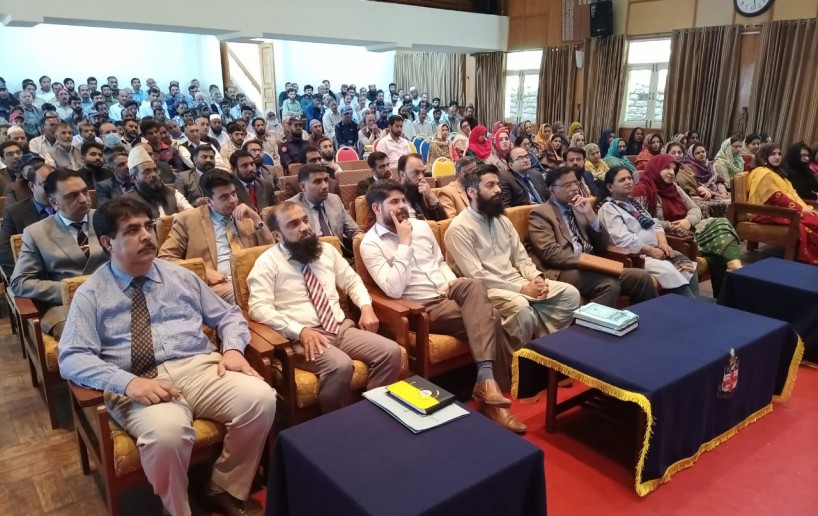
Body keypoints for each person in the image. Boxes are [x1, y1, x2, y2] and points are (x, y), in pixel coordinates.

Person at [58, 197, 276, 516]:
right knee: (167, 435)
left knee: (261, 398)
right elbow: (72, 357)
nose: (147, 235)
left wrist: (231, 348)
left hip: (199, 368)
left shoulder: (180, 276)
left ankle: (226, 486)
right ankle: (177, 509)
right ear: (107, 242)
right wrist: (127, 383)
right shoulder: (91, 294)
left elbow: (228, 315)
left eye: (148, 226)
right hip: (138, 381)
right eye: (132, 230)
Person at [360, 180, 527, 433]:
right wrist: (404, 244)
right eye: (393, 202)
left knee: (473, 285)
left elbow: (439, 262)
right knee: (491, 316)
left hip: (447, 292)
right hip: (421, 306)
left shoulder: (421, 226)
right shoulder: (370, 244)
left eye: (403, 200)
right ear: (376, 208)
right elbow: (393, 290)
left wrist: (450, 282)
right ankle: (494, 397)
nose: (402, 206)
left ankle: (486, 384)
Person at [247, 202, 401, 413]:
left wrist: (366, 307)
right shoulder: (267, 263)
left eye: (305, 220)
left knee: (391, 352)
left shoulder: (326, 250)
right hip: (304, 337)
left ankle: (372, 413)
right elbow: (258, 308)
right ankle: (335, 422)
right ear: (277, 235)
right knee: (340, 365)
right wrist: (299, 331)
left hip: (340, 328)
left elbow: (352, 281)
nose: (304, 227)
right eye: (293, 224)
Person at [445, 165, 580, 352]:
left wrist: (536, 278)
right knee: (521, 308)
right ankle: (516, 363)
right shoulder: (459, 229)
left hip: (518, 281)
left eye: (498, 184)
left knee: (570, 295)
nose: (498, 190)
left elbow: (521, 259)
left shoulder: (502, 220)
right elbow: (477, 276)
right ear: (472, 192)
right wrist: (523, 289)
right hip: (487, 290)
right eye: (490, 185)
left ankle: (542, 349)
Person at [527, 166, 657, 307]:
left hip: (591, 263)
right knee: (609, 284)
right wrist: (586, 261)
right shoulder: (540, 214)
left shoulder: (579, 207)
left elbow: (602, 245)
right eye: (567, 185)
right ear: (552, 190)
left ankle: (648, 318)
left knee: (642, 277)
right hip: (564, 269)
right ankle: (587, 322)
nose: (574, 188)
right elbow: (551, 253)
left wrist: (591, 217)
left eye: (575, 183)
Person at [10, 168, 108, 338]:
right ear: (54, 203)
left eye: (85, 191)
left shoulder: (107, 219)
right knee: (84, 337)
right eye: (72, 196)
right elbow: (20, 282)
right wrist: (67, 290)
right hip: (66, 307)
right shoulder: (36, 233)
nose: (84, 199)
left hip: (112, 296)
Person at [632, 154, 742, 295]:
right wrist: (670, 226)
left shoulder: (673, 187)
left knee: (722, 222)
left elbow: (695, 208)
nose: (671, 172)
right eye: (667, 168)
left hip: (688, 229)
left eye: (674, 169)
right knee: (718, 249)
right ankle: (734, 270)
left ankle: (734, 265)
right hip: (671, 235)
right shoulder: (642, 190)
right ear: (656, 168)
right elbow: (642, 222)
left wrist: (688, 221)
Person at [159, 169, 273, 303]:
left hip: (253, 278)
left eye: (233, 193)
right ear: (209, 201)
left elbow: (270, 250)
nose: (233, 200)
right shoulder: (187, 220)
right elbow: (165, 259)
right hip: (218, 286)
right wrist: (202, 271)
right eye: (224, 197)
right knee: (250, 297)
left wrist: (255, 218)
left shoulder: (245, 214)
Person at [598, 165, 699, 298]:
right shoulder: (608, 208)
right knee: (670, 271)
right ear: (610, 187)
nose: (628, 182)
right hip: (636, 257)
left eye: (629, 178)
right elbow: (622, 239)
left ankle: (696, 305)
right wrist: (651, 251)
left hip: (655, 250)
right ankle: (690, 308)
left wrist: (663, 244)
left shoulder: (633, 203)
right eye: (622, 180)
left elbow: (655, 223)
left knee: (687, 264)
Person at [748, 143, 818, 265]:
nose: (777, 157)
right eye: (773, 154)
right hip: (765, 212)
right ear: (764, 156)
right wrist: (800, 209)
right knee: (811, 221)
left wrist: (804, 207)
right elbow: (776, 196)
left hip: (781, 210)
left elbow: (793, 193)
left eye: (779, 154)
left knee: (814, 217)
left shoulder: (777, 173)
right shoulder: (762, 173)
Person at [286, 164, 360, 260]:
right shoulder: (291, 208)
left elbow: (353, 230)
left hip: (340, 255)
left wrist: (362, 240)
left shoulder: (334, 199)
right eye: (317, 182)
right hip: (310, 258)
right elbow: (292, 245)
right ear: (303, 186)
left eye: (326, 180)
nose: (325, 186)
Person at [0, 163, 55, 274]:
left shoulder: (68, 205)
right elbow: (4, 250)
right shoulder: (15, 212)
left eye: (56, 184)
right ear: (32, 186)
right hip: (34, 272)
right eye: (46, 184)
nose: (53, 189)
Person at [666, 141, 728, 219]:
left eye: (680, 152)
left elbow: (695, 183)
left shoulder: (686, 168)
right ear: (667, 154)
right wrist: (698, 197)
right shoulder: (667, 170)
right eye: (673, 153)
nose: (677, 155)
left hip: (696, 196)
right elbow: (674, 191)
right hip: (681, 200)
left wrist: (705, 191)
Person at [126, 145, 192, 217]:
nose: (154, 174)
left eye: (155, 170)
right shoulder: (128, 202)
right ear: (134, 178)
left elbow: (191, 214)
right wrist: (178, 216)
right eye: (146, 172)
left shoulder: (171, 192)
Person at [397, 153, 444, 220]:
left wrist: (431, 197)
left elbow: (443, 222)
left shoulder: (423, 192)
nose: (421, 177)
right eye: (416, 172)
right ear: (402, 174)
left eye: (423, 172)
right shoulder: (394, 197)